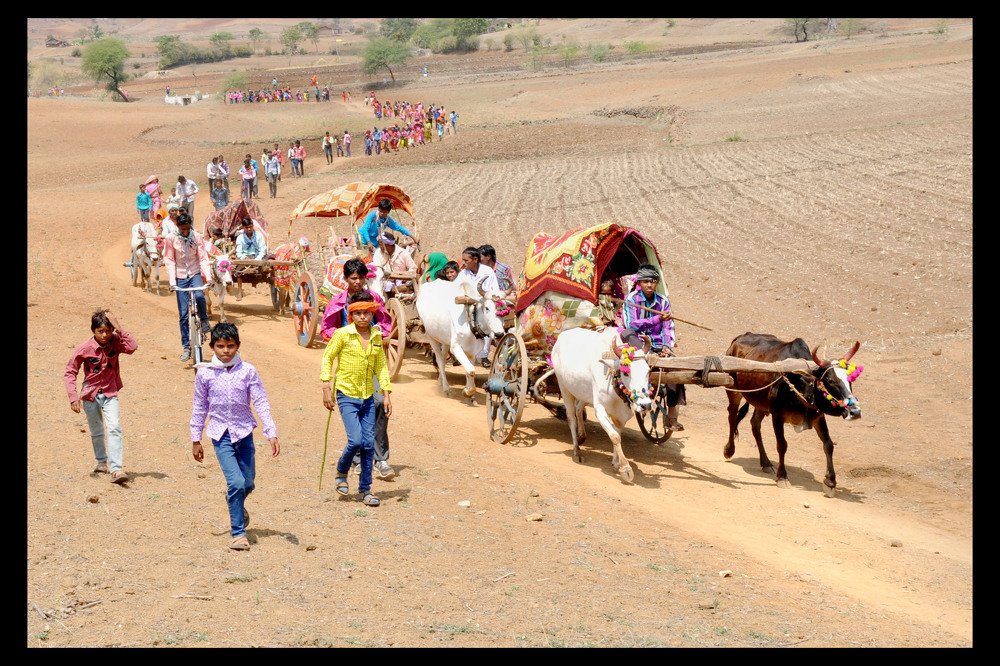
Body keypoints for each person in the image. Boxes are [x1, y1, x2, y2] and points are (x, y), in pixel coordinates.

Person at [191, 322, 280, 551]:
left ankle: (235, 500)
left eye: (230, 346)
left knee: (247, 482)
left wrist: (271, 432)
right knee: (236, 482)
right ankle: (238, 533)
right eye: (220, 346)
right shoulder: (205, 374)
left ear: (238, 346)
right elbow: (200, 406)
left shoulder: (248, 371)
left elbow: (260, 401)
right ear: (212, 347)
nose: (226, 351)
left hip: (244, 434)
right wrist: (196, 439)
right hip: (221, 436)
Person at [318, 259, 395, 480]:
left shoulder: (375, 299)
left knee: (379, 403)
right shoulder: (338, 302)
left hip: (372, 357)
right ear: (346, 279)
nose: (358, 282)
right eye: (353, 278)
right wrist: (346, 336)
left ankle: (381, 458)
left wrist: (376, 331)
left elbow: (386, 323)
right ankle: (360, 457)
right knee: (357, 407)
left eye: (361, 278)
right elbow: (326, 328)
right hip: (349, 364)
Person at [64, 309, 138, 485]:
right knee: (97, 432)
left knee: (114, 428)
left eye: (108, 330)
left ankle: (116, 469)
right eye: (100, 331)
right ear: (93, 330)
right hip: (90, 395)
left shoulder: (116, 342)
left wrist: (118, 327)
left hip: (110, 392)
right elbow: (70, 372)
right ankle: (101, 462)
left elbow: (132, 347)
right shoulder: (85, 348)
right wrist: (73, 397)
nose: (105, 335)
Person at [621, 264, 685, 430]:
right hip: (638, 345)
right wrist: (656, 320)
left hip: (657, 345)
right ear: (639, 283)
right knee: (626, 332)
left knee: (674, 369)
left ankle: (672, 415)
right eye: (646, 281)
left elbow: (668, 328)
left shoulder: (663, 301)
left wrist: (666, 346)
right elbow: (631, 324)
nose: (649, 285)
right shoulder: (631, 300)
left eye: (653, 281)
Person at [163, 212, 213, 362]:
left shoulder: (197, 237)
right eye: (182, 229)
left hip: (195, 273)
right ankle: (186, 346)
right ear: (177, 227)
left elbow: (203, 257)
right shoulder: (171, 238)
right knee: (183, 314)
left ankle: (204, 320)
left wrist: (208, 278)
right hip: (180, 276)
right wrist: (172, 282)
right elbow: (170, 260)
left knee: (199, 295)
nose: (184, 232)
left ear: (190, 226)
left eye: (187, 229)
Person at [372, 232, 417, 297]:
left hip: (402, 282)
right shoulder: (378, 253)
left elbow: (413, 268)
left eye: (381, 244)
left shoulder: (403, 253)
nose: (380, 246)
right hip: (385, 281)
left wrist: (405, 277)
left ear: (388, 245)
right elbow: (377, 269)